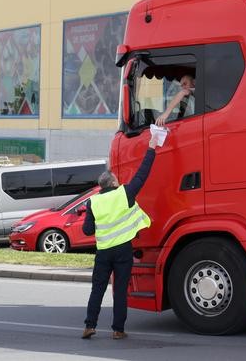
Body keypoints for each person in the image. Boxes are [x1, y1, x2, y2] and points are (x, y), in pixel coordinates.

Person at [81, 132, 158, 340]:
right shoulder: (124, 193)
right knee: (120, 291)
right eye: (116, 178)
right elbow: (142, 174)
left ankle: (89, 325)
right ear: (113, 183)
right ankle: (118, 330)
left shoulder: (93, 202)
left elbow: (87, 231)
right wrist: (152, 148)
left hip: (103, 253)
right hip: (123, 251)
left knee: (97, 289)